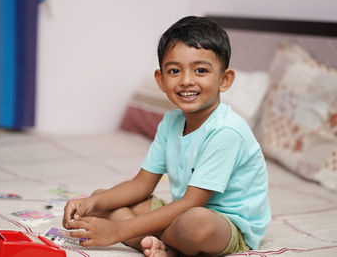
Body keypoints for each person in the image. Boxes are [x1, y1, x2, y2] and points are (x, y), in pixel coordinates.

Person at [63, 16, 271, 257]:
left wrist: (118, 230)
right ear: (161, 80)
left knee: (195, 223)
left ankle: (156, 242)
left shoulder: (227, 131)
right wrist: (91, 203)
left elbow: (193, 203)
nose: (186, 81)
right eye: (174, 71)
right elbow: (141, 184)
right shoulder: (170, 122)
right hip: (181, 212)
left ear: (224, 80)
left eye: (201, 70)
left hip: (225, 225)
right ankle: (159, 244)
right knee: (103, 198)